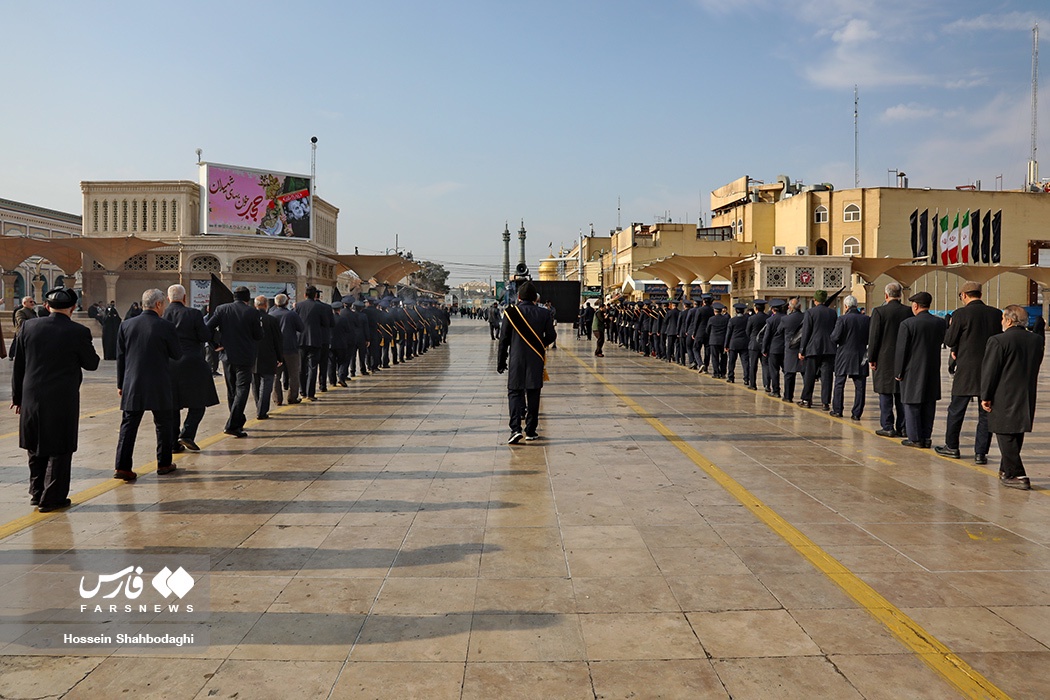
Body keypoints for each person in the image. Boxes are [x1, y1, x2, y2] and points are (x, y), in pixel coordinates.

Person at [11, 288, 100, 511]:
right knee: (60, 448)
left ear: (47, 307)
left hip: (31, 396)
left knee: (34, 445)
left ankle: (36, 491)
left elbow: (18, 365)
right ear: (72, 308)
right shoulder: (77, 331)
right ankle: (53, 497)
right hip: (61, 398)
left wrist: (17, 397)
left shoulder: (29, 327)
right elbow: (91, 363)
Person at [115, 289, 182, 480]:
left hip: (132, 383)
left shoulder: (126, 325)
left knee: (128, 425)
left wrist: (121, 384)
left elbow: (121, 358)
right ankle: (164, 463)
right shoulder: (166, 326)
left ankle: (122, 467)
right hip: (159, 383)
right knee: (163, 424)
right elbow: (176, 354)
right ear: (159, 304)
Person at [935, 281, 1002, 464]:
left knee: (956, 410)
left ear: (964, 295)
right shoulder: (996, 314)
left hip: (965, 370)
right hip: (988, 370)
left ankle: (952, 446)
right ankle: (981, 453)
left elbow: (949, 340)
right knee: (985, 413)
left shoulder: (961, 314)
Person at [981, 305, 1044, 489]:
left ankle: (1017, 474)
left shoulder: (998, 341)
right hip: (1025, 392)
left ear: (1009, 320)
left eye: (1002, 318)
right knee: (1016, 430)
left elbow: (990, 371)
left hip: (1004, 392)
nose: (1001, 322)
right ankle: (1005, 468)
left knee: (1003, 431)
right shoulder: (1036, 340)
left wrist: (986, 395)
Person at [497, 281, 556, 444]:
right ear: (535, 298)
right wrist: (539, 345)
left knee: (515, 393)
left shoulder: (510, 312)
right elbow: (551, 336)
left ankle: (515, 429)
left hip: (516, 359)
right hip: (535, 359)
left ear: (520, 297)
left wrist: (501, 362)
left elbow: (504, 340)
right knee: (533, 393)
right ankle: (530, 430)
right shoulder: (544, 314)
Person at [162, 284, 219, 454]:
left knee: (173, 405)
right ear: (185, 298)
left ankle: (173, 443)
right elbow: (204, 336)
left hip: (169, 364)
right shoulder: (193, 313)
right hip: (192, 362)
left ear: (167, 298)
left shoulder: (162, 315)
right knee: (199, 402)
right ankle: (187, 433)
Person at [206, 286, 263, 437]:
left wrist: (214, 345)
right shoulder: (252, 312)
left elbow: (207, 328)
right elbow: (258, 335)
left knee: (232, 390)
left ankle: (236, 420)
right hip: (245, 356)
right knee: (242, 389)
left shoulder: (222, 309)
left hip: (227, 356)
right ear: (247, 298)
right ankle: (233, 424)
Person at [894, 291, 946, 449]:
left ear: (915, 306)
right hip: (932, 369)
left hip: (912, 370)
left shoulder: (908, 324)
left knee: (911, 404)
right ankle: (926, 436)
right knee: (929, 404)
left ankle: (915, 437)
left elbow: (902, 350)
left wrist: (898, 372)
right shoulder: (940, 323)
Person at [867, 282, 913, 438]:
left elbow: (874, 337)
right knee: (901, 394)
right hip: (904, 358)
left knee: (885, 393)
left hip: (884, 358)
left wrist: (871, 358)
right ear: (900, 295)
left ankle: (887, 426)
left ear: (886, 295)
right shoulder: (908, 311)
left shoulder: (879, 312)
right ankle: (903, 427)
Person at [829, 295, 871, 419]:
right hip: (860, 354)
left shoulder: (842, 319)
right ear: (856, 306)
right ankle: (857, 413)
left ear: (846, 306)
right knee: (860, 386)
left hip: (844, 355)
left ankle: (838, 410)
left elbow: (835, 337)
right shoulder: (866, 319)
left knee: (839, 383)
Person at [798, 290, 837, 410]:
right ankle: (825, 402)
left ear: (815, 300)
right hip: (829, 348)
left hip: (813, 348)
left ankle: (807, 399)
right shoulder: (832, 313)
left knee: (810, 375)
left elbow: (806, 332)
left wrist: (802, 349)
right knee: (827, 376)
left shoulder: (810, 312)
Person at [295, 285, 333, 401]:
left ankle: (302, 391)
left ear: (305, 295)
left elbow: (295, 320)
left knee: (301, 367)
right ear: (316, 295)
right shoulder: (320, 307)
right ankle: (310, 393)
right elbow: (326, 323)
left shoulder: (298, 306)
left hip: (300, 340)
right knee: (313, 367)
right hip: (315, 340)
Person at [252, 296, 284, 420]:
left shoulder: (250, 319)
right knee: (266, 384)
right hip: (268, 356)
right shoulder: (271, 320)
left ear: (256, 305)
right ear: (266, 305)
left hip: (252, 356)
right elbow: (278, 340)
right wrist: (279, 357)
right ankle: (262, 410)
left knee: (255, 383)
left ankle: (258, 407)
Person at [269, 293, 305, 405]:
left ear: (275, 303)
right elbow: (301, 328)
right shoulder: (291, 315)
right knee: (294, 374)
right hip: (291, 348)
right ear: (286, 302)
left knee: (276, 375)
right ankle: (292, 397)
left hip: (275, 350)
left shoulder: (271, 314)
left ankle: (277, 399)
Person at [779, 298, 805, 403]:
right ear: (800, 307)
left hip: (790, 348)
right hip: (803, 348)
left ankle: (788, 396)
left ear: (790, 307)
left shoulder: (786, 319)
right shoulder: (805, 317)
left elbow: (779, 331)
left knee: (789, 374)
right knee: (805, 375)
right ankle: (806, 397)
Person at [761, 299, 786, 398]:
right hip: (785, 348)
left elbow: (767, 336)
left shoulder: (770, 320)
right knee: (786, 371)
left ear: (772, 309)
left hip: (774, 348)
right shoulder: (786, 318)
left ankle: (776, 390)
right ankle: (788, 392)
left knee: (774, 370)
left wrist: (764, 349)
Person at [746, 299, 770, 391]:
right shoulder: (767, 318)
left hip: (754, 344)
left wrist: (752, 338)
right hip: (764, 343)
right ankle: (767, 385)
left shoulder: (752, 318)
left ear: (756, 308)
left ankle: (753, 384)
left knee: (753, 365)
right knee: (765, 365)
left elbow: (748, 331)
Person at [724, 302, 750, 384]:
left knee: (731, 361)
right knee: (745, 362)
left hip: (734, 343)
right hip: (744, 343)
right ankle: (746, 378)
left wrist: (726, 345)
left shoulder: (732, 320)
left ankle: (731, 377)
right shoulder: (747, 319)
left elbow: (728, 333)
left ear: (736, 311)